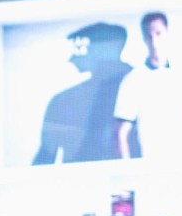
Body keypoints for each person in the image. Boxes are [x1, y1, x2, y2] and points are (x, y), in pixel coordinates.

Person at [34, 23, 130, 165]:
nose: (72, 59)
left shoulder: (145, 87)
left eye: (80, 49)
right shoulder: (64, 101)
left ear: (105, 50)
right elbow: (44, 159)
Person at [113, 11, 182, 163]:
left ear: (167, 33)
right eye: (149, 36)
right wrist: (128, 172)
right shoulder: (133, 80)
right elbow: (121, 134)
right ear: (144, 38)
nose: (154, 41)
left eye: (159, 34)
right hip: (151, 168)